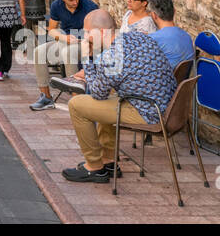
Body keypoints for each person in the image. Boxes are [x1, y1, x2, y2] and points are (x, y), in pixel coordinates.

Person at [62, 10, 177, 183]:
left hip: (149, 113)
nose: (85, 37)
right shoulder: (139, 37)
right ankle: (108, 161)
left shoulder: (111, 56)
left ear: (101, 32)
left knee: (76, 105)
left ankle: (94, 168)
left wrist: (87, 57)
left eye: (87, 32)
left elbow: (96, 93)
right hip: (164, 106)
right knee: (109, 98)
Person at [28, 0, 99, 111]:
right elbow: (52, 29)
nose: (75, 2)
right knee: (39, 52)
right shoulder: (57, 5)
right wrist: (63, 37)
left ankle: (76, 100)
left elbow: (99, 32)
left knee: (69, 52)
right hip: (65, 40)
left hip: (85, 44)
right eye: (71, 0)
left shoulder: (90, 7)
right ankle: (46, 97)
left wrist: (85, 39)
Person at [148, 0, 194, 70]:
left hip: (163, 81)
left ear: (154, 15)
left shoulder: (152, 40)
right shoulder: (187, 36)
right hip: (182, 81)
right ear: (174, 11)